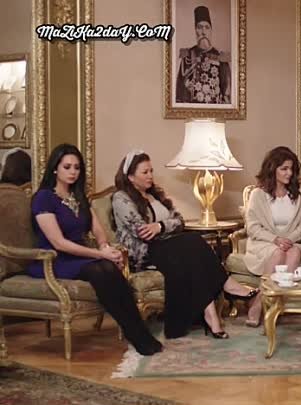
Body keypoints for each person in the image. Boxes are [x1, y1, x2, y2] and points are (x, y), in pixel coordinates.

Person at [27, 144, 162, 356]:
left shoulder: (79, 196)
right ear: (55, 169)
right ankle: (137, 335)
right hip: (53, 259)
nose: (73, 172)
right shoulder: (44, 198)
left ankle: (139, 332)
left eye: (77, 167)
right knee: (100, 269)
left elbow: (98, 230)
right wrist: (101, 254)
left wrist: (105, 247)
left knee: (109, 268)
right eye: (67, 167)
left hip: (79, 257)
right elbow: (59, 243)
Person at [112, 150, 257, 340]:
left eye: (151, 171)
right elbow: (143, 232)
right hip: (144, 252)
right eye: (145, 172)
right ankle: (228, 286)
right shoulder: (121, 198)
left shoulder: (156, 195)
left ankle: (211, 315)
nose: (150, 176)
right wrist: (163, 227)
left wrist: (160, 226)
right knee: (192, 242)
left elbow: (179, 221)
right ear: (130, 177)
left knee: (193, 250)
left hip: (168, 247)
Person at [244, 146, 301, 327]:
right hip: (264, 242)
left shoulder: (297, 195)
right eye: (284, 169)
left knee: (295, 253)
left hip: (291, 242)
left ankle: (275, 304)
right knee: (278, 253)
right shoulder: (258, 194)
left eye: (292, 169)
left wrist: (289, 240)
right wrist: (275, 240)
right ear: (273, 169)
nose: (289, 173)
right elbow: (252, 227)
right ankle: (259, 303)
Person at [175, 5, 232, 104]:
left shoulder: (221, 58)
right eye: (200, 27)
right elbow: (179, 93)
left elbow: (227, 95)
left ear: (211, 31)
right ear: (195, 30)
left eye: (207, 27)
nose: (203, 32)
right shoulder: (187, 56)